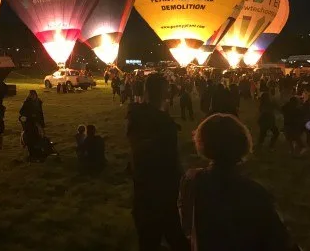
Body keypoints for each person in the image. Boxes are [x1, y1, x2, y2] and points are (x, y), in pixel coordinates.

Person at [178, 114, 300, 251]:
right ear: (243, 144)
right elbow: (280, 242)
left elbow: (187, 226)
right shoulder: (255, 194)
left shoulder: (191, 180)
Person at [127, 73, 189, 251]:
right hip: (164, 191)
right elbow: (171, 160)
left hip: (142, 188)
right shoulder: (164, 124)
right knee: (179, 239)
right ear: (164, 92)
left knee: (148, 240)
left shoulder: (135, 114)